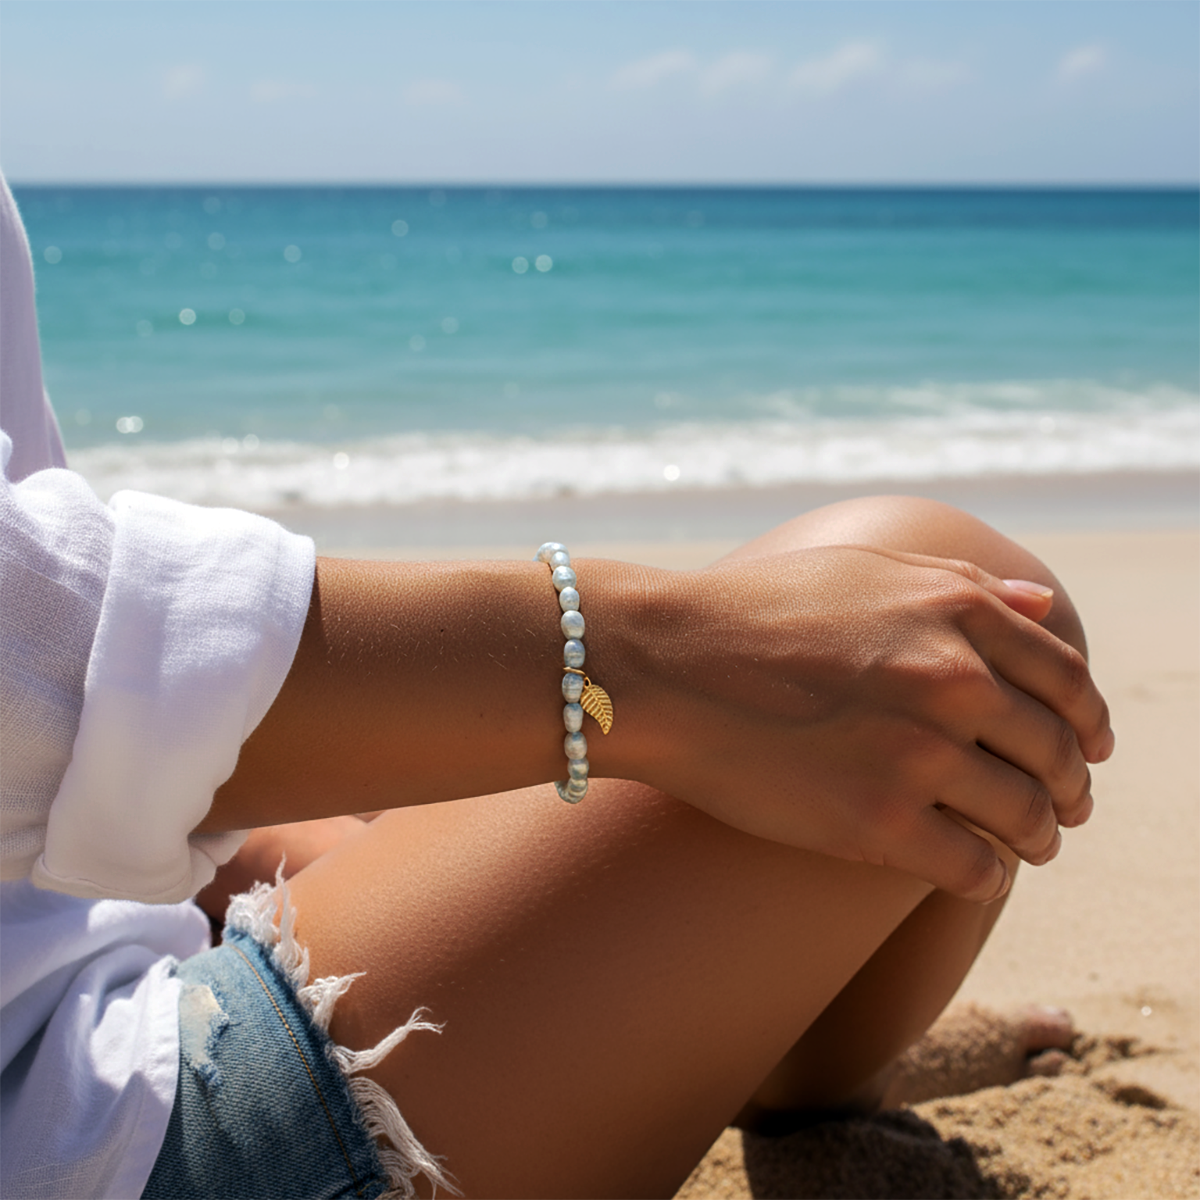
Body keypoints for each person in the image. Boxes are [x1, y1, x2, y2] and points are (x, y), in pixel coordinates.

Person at [0, 172, 1112, 1200]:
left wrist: (316, 857)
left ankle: (760, 1060)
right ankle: (807, 1090)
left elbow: (59, 741)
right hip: (80, 1139)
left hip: (64, 987)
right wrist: (660, 660)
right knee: (964, 599)